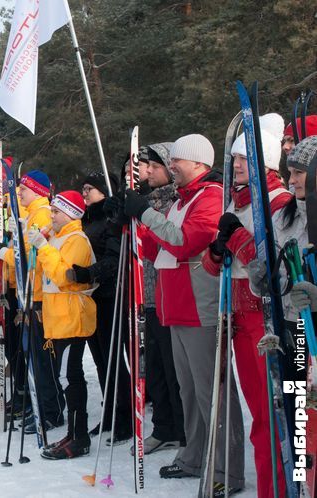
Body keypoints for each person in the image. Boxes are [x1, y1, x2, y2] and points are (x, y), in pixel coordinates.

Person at [114, 134, 244, 492]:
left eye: (178, 161)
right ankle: (194, 454)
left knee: (211, 392)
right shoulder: (182, 199)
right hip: (176, 305)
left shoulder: (211, 196)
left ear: (199, 163)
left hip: (200, 305)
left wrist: (145, 213)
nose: (172, 165)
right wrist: (132, 221)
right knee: (188, 390)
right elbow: (160, 243)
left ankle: (226, 470)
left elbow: (186, 239)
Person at [203, 116, 294, 498]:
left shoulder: (279, 202)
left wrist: (236, 236)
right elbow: (214, 268)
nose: (237, 164)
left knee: (272, 413)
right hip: (239, 319)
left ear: (267, 162)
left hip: (268, 320)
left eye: (245, 158)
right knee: (259, 412)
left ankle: (277, 488)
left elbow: (276, 270)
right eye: (235, 158)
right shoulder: (235, 200)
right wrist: (217, 248)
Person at [28, 190, 96, 459]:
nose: (52, 215)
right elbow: (44, 276)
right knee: (65, 375)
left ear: (70, 213)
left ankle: (79, 436)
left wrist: (44, 248)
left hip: (72, 317)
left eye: (56, 211)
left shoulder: (76, 239)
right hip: (58, 318)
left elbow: (64, 277)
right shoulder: (57, 237)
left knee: (70, 376)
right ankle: (73, 432)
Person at [70, 172, 132, 442]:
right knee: (99, 358)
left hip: (109, 295)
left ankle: (124, 416)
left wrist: (90, 273)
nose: (85, 193)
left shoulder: (111, 217)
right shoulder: (85, 220)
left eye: (90, 188)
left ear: (105, 190)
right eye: (82, 188)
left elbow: (114, 258)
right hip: (89, 297)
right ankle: (110, 411)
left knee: (112, 357)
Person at [0, 170, 55, 431]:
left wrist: (3, 251)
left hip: (37, 293)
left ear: (38, 191)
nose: (20, 193)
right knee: (29, 354)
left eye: (24, 189)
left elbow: (28, 256)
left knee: (40, 357)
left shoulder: (41, 215)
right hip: (25, 292)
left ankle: (49, 409)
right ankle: (36, 403)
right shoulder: (29, 214)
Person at [136, 143, 185, 454]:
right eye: (146, 165)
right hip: (146, 296)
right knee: (152, 369)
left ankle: (182, 432)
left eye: (155, 165)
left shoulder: (175, 201)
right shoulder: (145, 200)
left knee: (173, 370)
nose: (148, 170)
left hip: (169, 296)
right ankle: (163, 426)